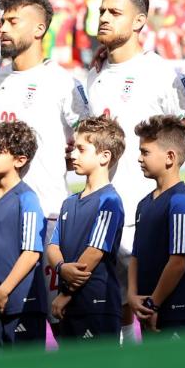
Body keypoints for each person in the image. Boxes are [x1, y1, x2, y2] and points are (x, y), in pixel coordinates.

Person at [85, 0, 185, 343]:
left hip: (146, 216)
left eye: (115, 12)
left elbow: (184, 136)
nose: (103, 18)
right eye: (102, 11)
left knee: (149, 313)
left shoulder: (161, 73)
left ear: (139, 21)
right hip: (104, 214)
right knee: (111, 311)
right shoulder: (94, 77)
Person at [0, 0, 88, 333]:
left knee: (62, 321)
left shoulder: (62, 83)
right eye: (2, 20)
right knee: (11, 323)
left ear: (39, 29)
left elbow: (86, 140)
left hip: (50, 215)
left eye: (13, 21)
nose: (3, 27)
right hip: (5, 221)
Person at [47, 116, 126, 342]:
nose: (72, 155)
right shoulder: (68, 202)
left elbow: (93, 253)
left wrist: (65, 294)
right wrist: (61, 267)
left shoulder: (109, 200)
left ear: (104, 156)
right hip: (70, 307)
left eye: (81, 149)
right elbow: (53, 245)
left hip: (97, 305)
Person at [0, 121, 47, 349]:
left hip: (24, 306)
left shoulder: (28, 199)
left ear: (20, 160)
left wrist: (3, 292)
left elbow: (32, 252)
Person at [129, 115, 185, 338]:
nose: (139, 158)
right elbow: (136, 256)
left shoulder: (179, 202)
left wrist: (154, 303)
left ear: (170, 157)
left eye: (145, 152)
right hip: (149, 311)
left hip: (178, 314)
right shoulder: (144, 204)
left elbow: (178, 261)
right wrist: (133, 295)